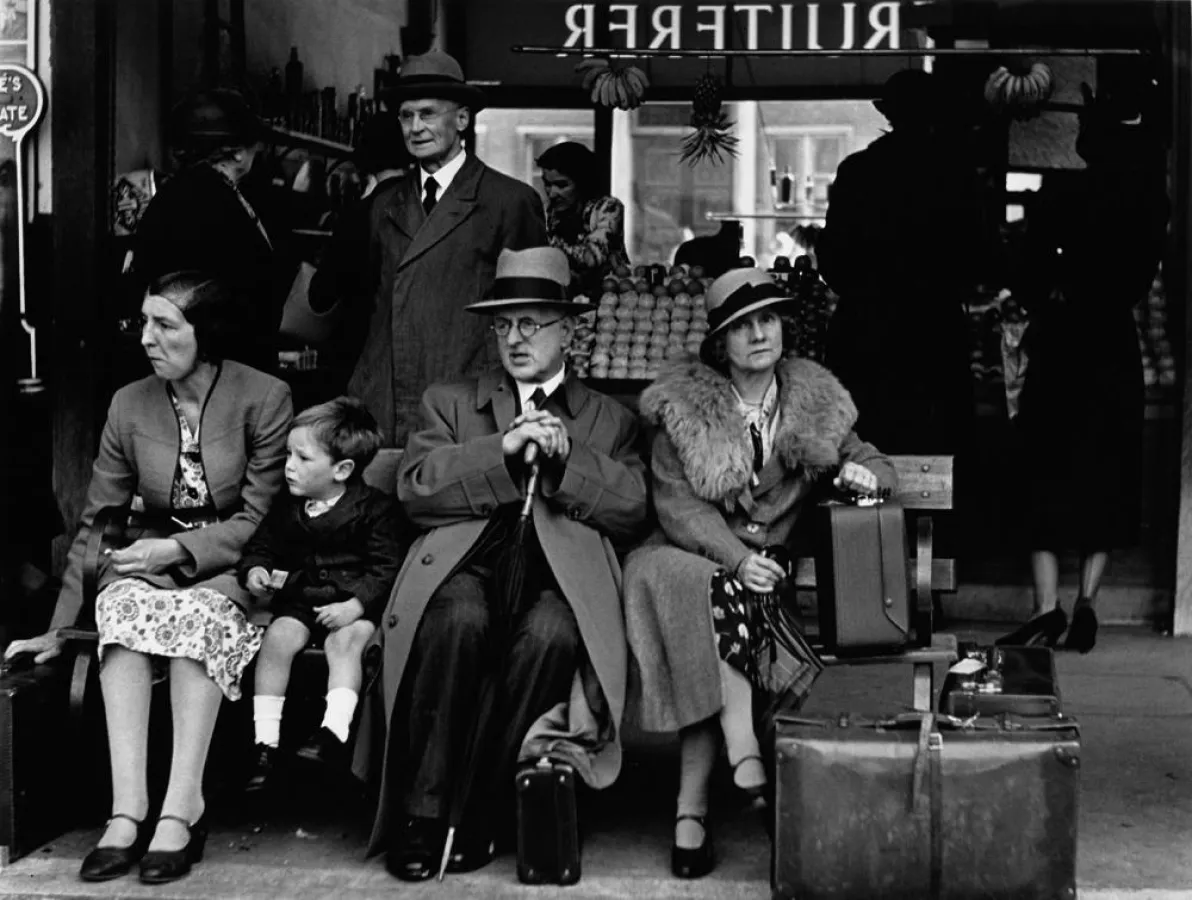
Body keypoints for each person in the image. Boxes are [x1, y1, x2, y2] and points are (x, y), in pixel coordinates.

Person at [356, 246, 648, 881]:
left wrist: (570, 464)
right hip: (471, 562)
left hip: (555, 576)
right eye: (503, 324)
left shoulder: (607, 417)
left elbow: (631, 510)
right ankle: (425, 815)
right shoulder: (452, 402)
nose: (514, 339)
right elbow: (416, 488)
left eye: (531, 323)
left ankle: (482, 809)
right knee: (456, 617)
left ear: (569, 330)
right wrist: (502, 448)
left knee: (554, 633)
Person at [4, 271, 292, 885]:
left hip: (237, 566)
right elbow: (97, 523)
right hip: (152, 562)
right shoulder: (128, 403)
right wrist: (60, 629)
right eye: (143, 323)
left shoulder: (263, 396)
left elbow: (262, 518)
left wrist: (178, 550)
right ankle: (127, 810)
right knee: (123, 611)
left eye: (165, 325)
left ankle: (182, 807)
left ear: (205, 332)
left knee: (194, 619)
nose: (147, 338)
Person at [622, 267, 894, 879]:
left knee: (724, 615)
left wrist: (865, 476)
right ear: (720, 344)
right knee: (713, 594)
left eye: (767, 320)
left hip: (761, 586)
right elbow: (676, 504)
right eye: (741, 326)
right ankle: (741, 747)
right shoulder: (682, 409)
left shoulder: (815, 401)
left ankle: (690, 815)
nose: (758, 334)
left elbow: (872, 459)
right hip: (679, 563)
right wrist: (737, 559)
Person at [997, 81, 1169, 653]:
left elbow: (1022, 270)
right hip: (1112, 343)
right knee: (1108, 475)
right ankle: (1088, 601)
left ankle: (1046, 609)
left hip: (1061, 342)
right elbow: (1140, 280)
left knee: (1043, 475)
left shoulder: (1058, 195)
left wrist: (1049, 296)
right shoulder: (1147, 201)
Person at [328, 50, 548, 445]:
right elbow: (372, 306)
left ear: (462, 119)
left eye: (428, 114)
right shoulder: (384, 204)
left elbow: (531, 318)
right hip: (387, 397)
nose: (415, 127)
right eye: (406, 116)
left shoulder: (508, 201)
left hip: (468, 398)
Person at [240, 397, 411, 790]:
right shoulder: (289, 506)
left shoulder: (374, 510)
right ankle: (265, 741)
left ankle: (333, 732)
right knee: (277, 639)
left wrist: (356, 604)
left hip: (352, 605)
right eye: (288, 454)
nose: (289, 466)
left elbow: (388, 567)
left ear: (342, 469)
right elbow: (261, 546)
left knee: (347, 643)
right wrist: (256, 571)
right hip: (301, 600)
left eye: (302, 458)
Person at [817, 69, 981, 455]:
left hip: (866, 340)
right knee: (936, 461)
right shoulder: (956, 177)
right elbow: (978, 260)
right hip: (935, 340)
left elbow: (833, 262)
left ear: (889, 115)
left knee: (865, 459)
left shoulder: (857, 172)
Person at [132, 90, 294, 374]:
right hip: (219, 374)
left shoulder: (173, 195)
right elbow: (244, 293)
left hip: (190, 367)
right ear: (238, 151)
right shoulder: (218, 204)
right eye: (254, 145)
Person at [535, 141, 630, 298]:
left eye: (561, 185)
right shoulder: (551, 212)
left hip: (610, 302)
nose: (551, 194)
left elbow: (592, 257)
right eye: (547, 184)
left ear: (582, 182)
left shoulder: (608, 208)